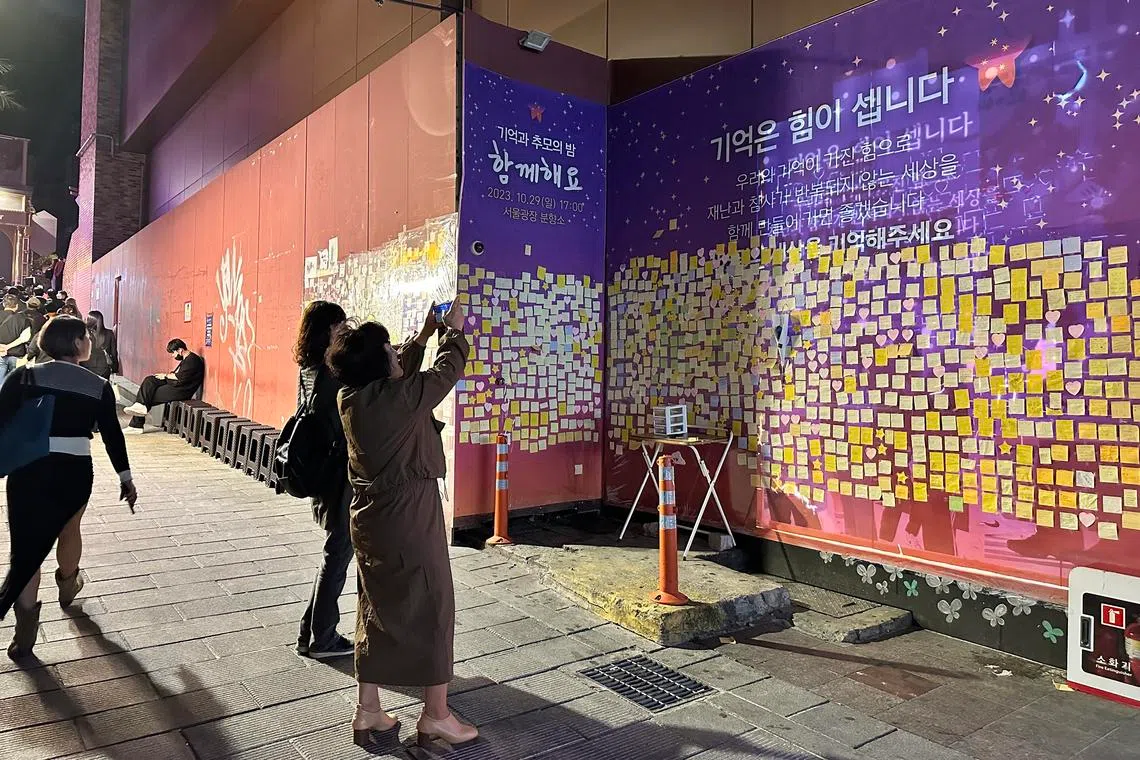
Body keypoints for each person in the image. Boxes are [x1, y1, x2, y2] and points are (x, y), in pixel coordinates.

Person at [327, 302, 476, 748]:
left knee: (375, 606)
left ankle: (368, 710)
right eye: (389, 349)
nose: (397, 353)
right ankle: (436, 715)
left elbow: (396, 375)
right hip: (410, 513)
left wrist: (423, 333)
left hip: (370, 516)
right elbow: (444, 373)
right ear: (380, 364)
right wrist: (452, 332)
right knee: (433, 604)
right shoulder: (400, 397)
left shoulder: (352, 395)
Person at [0, 316, 138, 658]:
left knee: (26, 547)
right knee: (69, 527)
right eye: (86, 335)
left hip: (27, 469)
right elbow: (112, 435)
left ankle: (25, 633)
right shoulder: (98, 385)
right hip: (74, 471)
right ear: (77, 344)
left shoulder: (24, 376)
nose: (90, 340)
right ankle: (68, 583)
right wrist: (125, 477)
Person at [291, 300, 356, 660]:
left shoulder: (309, 368)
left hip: (321, 470)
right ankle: (323, 638)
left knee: (337, 550)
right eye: (339, 326)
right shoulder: (331, 374)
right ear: (326, 330)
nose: (344, 330)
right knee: (338, 552)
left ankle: (310, 633)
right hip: (338, 475)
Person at [122, 338, 204, 429]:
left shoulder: (192, 360)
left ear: (180, 350)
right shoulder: (186, 359)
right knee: (149, 380)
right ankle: (139, 409)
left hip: (181, 390)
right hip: (176, 385)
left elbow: (180, 377)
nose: (173, 356)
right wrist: (166, 376)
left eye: (173, 353)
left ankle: (136, 424)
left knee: (148, 396)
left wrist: (165, 375)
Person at [0, 294, 31, 385]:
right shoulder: (23, 318)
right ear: (17, 305)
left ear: (3, 304)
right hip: (16, 354)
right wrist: (8, 347)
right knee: (13, 383)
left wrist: (2, 348)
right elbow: (26, 337)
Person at [80, 311, 118, 380]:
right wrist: (115, 367)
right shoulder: (109, 333)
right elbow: (114, 353)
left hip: (87, 367)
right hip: (104, 368)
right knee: (102, 388)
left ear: (90, 321)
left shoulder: (85, 334)